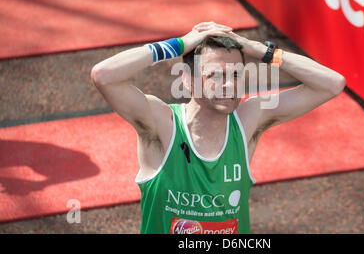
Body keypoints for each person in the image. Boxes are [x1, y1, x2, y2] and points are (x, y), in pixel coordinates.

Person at [90, 21, 346, 234]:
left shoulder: (249, 120)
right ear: (187, 80)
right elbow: (104, 75)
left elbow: (332, 84)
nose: (228, 85)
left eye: (235, 75)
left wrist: (259, 49)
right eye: (215, 75)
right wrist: (178, 45)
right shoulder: (162, 125)